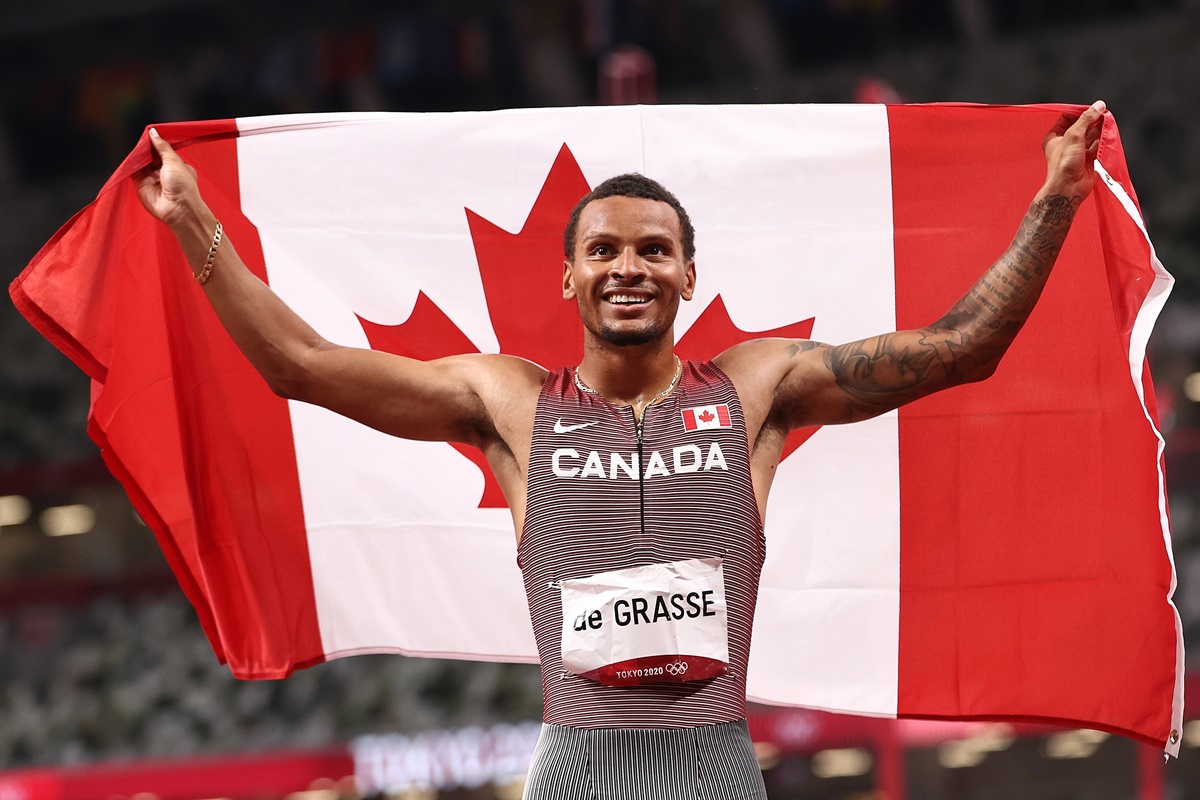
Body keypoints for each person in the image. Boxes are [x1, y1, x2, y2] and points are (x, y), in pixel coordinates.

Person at [136, 101, 1107, 799]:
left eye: (652, 248)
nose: (628, 266)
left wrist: (1057, 197)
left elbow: (961, 348)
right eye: (604, 250)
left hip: (717, 768)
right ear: (568, 277)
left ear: (689, 270)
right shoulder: (509, 402)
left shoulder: (756, 390)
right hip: (576, 772)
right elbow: (301, 364)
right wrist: (194, 223)